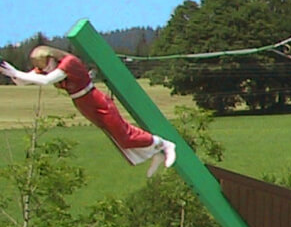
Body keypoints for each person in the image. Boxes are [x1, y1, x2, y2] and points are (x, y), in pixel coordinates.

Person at [0, 46, 176, 176]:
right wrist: (6, 68)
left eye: (46, 66)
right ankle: (156, 151)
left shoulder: (69, 63)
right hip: (83, 104)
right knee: (118, 138)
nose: (44, 70)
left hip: (96, 101)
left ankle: (165, 144)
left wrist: (16, 72)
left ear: (52, 58)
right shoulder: (49, 67)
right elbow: (22, 81)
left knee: (124, 136)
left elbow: (46, 80)